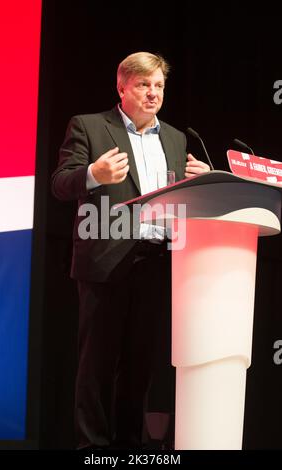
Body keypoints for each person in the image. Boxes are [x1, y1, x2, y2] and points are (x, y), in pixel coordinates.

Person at [51, 51, 210, 449]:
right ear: (122, 87)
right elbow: (60, 183)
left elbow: (177, 199)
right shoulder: (89, 127)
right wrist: (93, 174)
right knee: (96, 370)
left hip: (156, 263)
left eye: (158, 85)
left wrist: (206, 183)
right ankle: (92, 451)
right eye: (143, 85)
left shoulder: (176, 137)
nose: (152, 93)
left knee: (140, 371)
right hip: (105, 263)